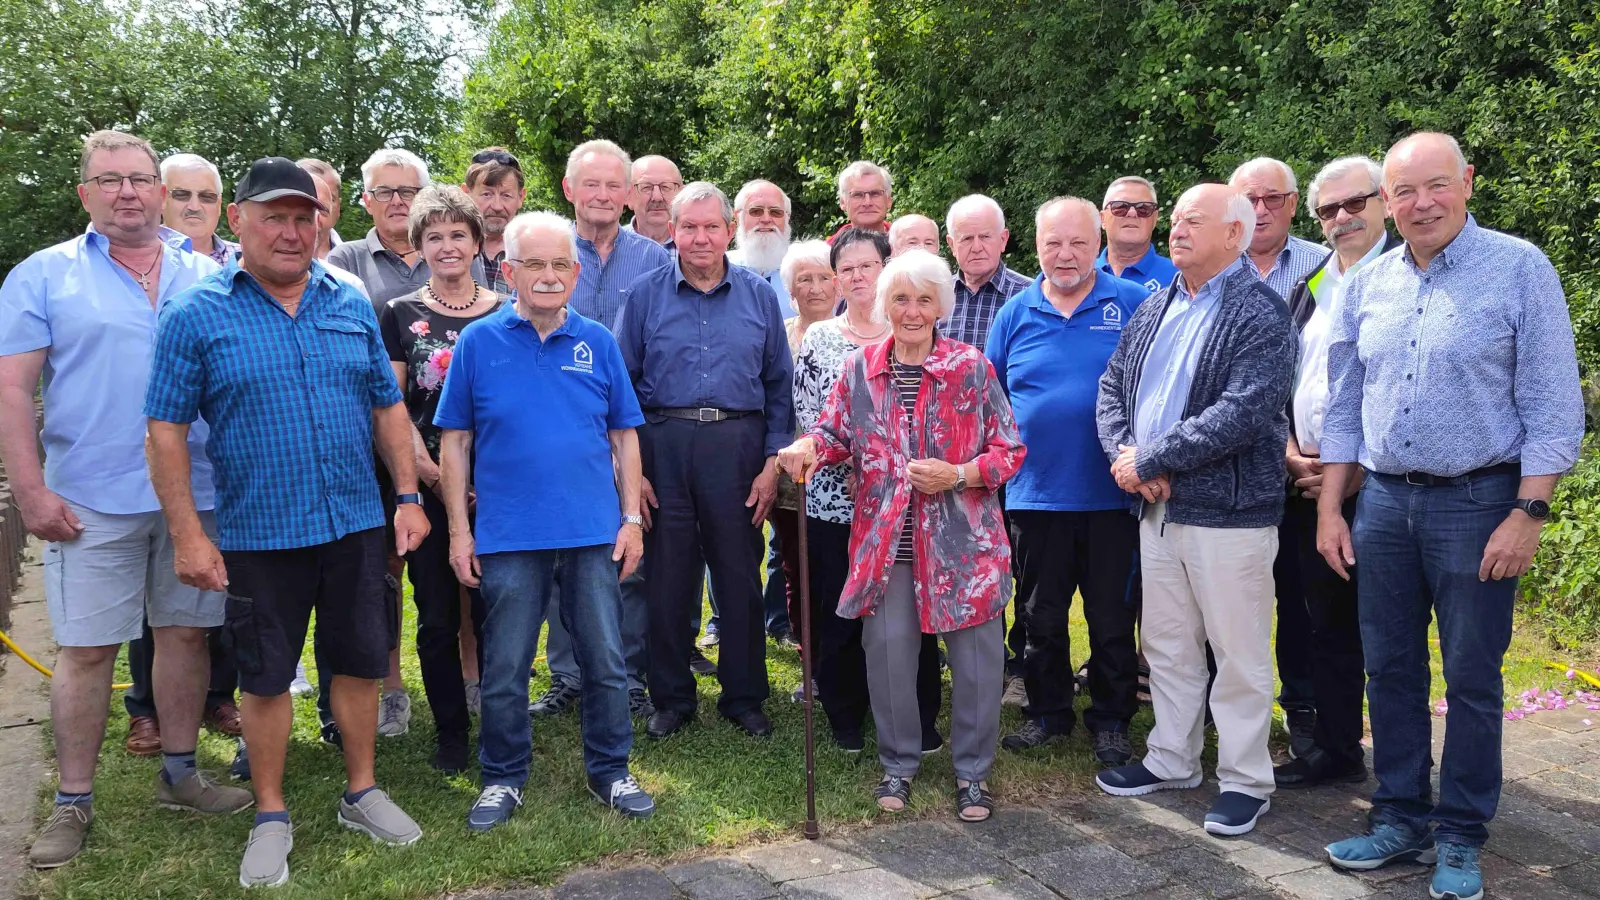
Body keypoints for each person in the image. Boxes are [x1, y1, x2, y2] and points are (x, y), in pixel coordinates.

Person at [144, 157, 429, 888]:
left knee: (359, 661)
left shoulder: (348, 302)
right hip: (260, 532)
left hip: (354, 522)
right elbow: (165, 431)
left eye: (304, 218)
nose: (292, 232)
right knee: (267, 677)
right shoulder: (195, 314)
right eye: (275, 217)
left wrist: (406, 497)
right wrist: (188, 534)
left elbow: (386, 407)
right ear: (238, 221)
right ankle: (271, 812)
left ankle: (361, 791)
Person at [1317, 133, 1584, 900]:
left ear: (1467, 181)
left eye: (1436, 185)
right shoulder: (1367, 283)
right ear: (1386, 202)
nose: (1421, 203)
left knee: (1471, 677)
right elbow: (1344, 405)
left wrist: (1529, 511)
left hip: (1479, 503)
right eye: (1404, 191)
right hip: (1383, 502)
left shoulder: (1519, 268)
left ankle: (1461, 833)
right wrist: (1331, 507)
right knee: (1390, 668)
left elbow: (1553, 404)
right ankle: (1399, 817)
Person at [0, 130, 251, 870]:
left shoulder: (208, 275)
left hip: (196, 495)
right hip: (91, 499)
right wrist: (31, 490)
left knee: (185, 635)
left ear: (161, 193)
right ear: (86, 193)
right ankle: (72, 800)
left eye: (140, 179)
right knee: (86, 651)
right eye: (109, 180)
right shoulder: (44, 276)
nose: (127, 193)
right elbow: (12, 390)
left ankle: (181, 774)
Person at [779, 248, 1024, 822]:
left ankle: (973, 774)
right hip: (887, 544)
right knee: (888, 654)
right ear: (884, 305)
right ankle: (898, 763)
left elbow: (1009, 450)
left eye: (923, 300)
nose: (912, 311)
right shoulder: (860, 369)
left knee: (977, 665)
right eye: (900, 299)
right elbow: (834, 432)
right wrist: (809, 446)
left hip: (964, 547)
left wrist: (957, 475)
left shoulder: (970, 368)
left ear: (941, 307)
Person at [436, 210, 656, 831]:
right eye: (535, 263)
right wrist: (459, 532)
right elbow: (455, 442)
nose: (550, 275)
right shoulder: (477, 343)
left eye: (561, 264)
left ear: (576, 274)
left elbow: (624, 436)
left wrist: (631, 519)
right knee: (506, 667)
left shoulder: (598, 342)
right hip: (508, 535)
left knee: (606, 661)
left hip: (592, 532)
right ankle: (502, 777)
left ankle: (610, 770)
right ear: (508, 272)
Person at [1093, 183, 1296, 838]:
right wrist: (1126, 454)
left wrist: (1151, 459)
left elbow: (1243, 412)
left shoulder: (1260, 312)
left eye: (1192, 221)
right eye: (1175, 220)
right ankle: (1172, 759)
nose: (1175, 230)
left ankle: (1245, 781)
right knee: (1168, 645)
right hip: (1158, 511)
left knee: (1237, 653)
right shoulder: (1157, 304)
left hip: (1229, 515)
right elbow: (1112, 385)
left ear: (1235, 234)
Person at [615, 181, 793, 740]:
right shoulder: (643, 296)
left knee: (738, 574)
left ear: (729, 230)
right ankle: (670, 697)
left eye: (711, 226)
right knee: (667, 577)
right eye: (688, 227)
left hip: (738, 447)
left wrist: (771, 463)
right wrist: (633, 473)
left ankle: (744, 696)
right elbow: (620, 390)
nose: (700, 237)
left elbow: (779, 387)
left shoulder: (760, 296)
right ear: (672, 231)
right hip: (662, 445)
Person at [986, 197, 1150, 766]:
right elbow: (990, 398)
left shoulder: (1133, 304)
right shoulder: (1014, 313)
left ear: (1098, 243)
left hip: (1113, 496)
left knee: (1111, 617)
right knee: (1040, 615)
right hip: (1035, 494)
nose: (1065, 254)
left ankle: (1111, 718)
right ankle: (1047, 712)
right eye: (1053, 243)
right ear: (1036, 245)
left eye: (1078, 242)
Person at [531, 140, 672, 720]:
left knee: (629, 557)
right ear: (569, 189)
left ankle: (628, 675)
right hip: (562, 432)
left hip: (635, 428)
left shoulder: (655, 258)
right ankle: (568, 674)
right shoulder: (549, 252)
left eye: (616, 185)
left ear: (629, 194)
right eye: (592, 184)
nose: (604, 195)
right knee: (562, 556)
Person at [791, 229, 945, 753]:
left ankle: (920, 716)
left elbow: (930, 418)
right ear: (837, 279)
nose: (858, 276)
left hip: (905, 505)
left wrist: (887, 468)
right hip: (836, 502)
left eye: (868, 265)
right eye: (847, 269)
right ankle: (846, 714)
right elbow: (813, 416)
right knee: (842, 610)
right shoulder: (821, 338)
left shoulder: (913, 327)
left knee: (912, 613)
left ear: (887, 268)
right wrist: (861, 461)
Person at [1273, 156, 1399, 791]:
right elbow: (1287, 378)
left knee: (1389, 630)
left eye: (1355, 203)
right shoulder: (1314, 283)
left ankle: (1404, 766)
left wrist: (1355, 470)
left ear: (1384, 202)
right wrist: (1291, 448)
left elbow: (1405, 388)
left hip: (1381, 484)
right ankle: (1337, 747)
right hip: (1309, 478)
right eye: (1329, 209)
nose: (1342, 217)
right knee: (1325, 622)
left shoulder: (1405, 275)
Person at [378, 185, 503, 774]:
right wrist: (430, 475)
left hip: (501, 488)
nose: (448, 246)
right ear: (419, 245)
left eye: (458, 234)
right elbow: (393, 405)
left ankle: (500, 722)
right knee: (435, 616)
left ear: (477, 243)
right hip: (425, 483)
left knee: (496, 612)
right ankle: (450, 731)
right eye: (435, 236)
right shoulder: (399, 313)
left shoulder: (507, 311)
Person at [1228, 155, 1325, 754]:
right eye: (1249, 200)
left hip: (1307, 472)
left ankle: (1305, 710)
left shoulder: (1324, 268)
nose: (1260, 211)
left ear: (1293, 204)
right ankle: (1218, 710)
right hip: (1230, 470)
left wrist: (1298, 450)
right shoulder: (1212, 264)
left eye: (1273, 199)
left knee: (1302, 598)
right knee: (1227, 598)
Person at [769, 239, 839, 654]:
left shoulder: (857, 333)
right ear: (789, 288)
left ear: (838, 283)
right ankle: (810, 655)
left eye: (824, 277)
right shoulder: (777, 336)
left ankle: (848, 655)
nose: (815, 288)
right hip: (789, 474)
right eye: (803, 279)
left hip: (843, 476)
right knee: (797, 566)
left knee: (839, 567)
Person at [328, 147, 487, 304]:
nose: (396, 201)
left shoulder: (458, 251)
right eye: (384, 192)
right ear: (368, 202)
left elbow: (480, 308)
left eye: (406, 192)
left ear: (425, 197)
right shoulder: (347, 259)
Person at [941, 194, 1029, 352]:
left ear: (1003, 240)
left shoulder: (1030, 296)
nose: (976, 247)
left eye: (985, 237)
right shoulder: (936, 295)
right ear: (952, 245)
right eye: (967, 238)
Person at [728, 179, 797, 320]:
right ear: (738, 217)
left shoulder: (803, 269)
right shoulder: (720, 267)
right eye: (756, 211)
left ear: (787, 217)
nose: (766, 219)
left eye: (775, 212)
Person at [462, 147, 526, 295]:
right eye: (487, 194)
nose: (497, 206)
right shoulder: (450, 252)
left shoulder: (532, 254)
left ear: (521, 197)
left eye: (506, 195)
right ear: (466, 194)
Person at [1096, 176, 1177, 292]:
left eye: (1143, 209)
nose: (1132, 213)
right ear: (1102, 219)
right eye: (1120, 207)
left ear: (1155, 219)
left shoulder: (1179, 278)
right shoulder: (1082, 275)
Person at [160, 153, 238, 266]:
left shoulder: (246, 261)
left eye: (207, 197)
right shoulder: (139, 261)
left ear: (219, 205)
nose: (194, 207)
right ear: (161, 199)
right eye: (181, 195)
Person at [624, 154, 683, 248]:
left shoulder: (699, 247)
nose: (657, 197)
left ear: (681, 194)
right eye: (646, 187)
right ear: (628, 195)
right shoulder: (609, 247)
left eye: (666, 187)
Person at [828, 161, 894, 242]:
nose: (867, 203)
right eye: (857, 195)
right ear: (842, 202)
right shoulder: (827, 249)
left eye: (875, 193)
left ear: (889, 200)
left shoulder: (906, 244)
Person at [297, 157, 347, 250]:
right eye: (306, 198)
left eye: (327, 199)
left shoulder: (355, 257)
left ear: (338, 207)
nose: (316, 212)